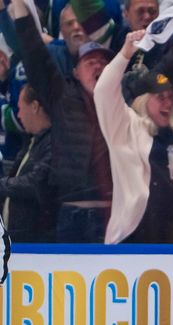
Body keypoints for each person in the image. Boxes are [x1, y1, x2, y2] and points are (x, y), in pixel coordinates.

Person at [12, 0, 115, 243]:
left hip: (111, 215)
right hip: (71, 214)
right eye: (90, 62)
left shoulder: (122, 97)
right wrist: (19, 10)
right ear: (76, 72)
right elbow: (35, 55)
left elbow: (166, 70)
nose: (98, 66)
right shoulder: (62, 97)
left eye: (103, 62)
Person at [94, 29, 173, 244]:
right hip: (133, 238)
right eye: (160, 97)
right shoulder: (125, 127)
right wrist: (125, 54)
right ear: (143, 99)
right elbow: (103, 92)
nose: (168, 103)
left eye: (170, 97)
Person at [0, 83, 54, 242]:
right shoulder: (32, 142)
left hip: (36, 242)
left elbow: (35, 183)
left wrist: (1, 185)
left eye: (21, 108)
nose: (19, 115)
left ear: (35, 106)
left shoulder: (54, 142)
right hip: (17, 240)